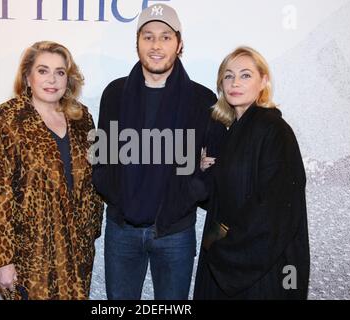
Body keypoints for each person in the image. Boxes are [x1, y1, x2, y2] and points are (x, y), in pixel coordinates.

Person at [92, 4, 226, 300]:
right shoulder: (114, 94)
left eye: (165, 37)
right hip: (121, 230)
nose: (156, 45)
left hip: (175, 232)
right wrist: (117, 197)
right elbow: (100, 157)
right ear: (137, 43)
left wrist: (190, 191)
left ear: (179, 44)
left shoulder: (202, 100)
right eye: (148, 36)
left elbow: (214, 167)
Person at [0, 41, 103, 300]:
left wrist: (89, 232)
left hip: (77, 252)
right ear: (27, 76)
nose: (52, 80)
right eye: (43, 70)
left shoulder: (82, 120)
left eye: (60, 72)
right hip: (29, 256)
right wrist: (2, 260)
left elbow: (93, 184)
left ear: (68, 79)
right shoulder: (9, 123)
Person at [194, 46, 310, 299]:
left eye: (246, 75)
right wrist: (205, 172)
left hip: (258, 270)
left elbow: (277, 209)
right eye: (228, 75)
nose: (235, 82)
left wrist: (225, 253)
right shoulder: (231, 131)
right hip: (231, 264)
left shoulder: (274, 130)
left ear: (263, 81)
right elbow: (225, 199)